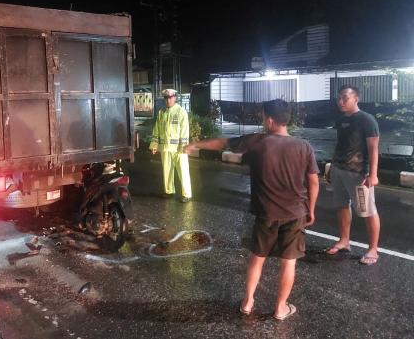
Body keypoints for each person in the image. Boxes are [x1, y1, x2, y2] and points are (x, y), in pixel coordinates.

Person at [184, 99, 319, 320]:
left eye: (264, 117)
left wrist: (195, 144)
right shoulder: (304, 147)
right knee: (289, 262)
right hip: (295, 214)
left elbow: (223, 143)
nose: (263, 120)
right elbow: (313, 182)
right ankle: (280, 308)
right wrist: (311, 210)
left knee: (258, 257)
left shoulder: (257, 141)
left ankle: (248, 301)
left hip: (266, 214)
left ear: (270, 119)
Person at [325, 84, 381, 265]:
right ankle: (344, 240)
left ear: (356, 99)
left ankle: (373, 249)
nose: (340, 102)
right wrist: (331, 168)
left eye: (345, 98)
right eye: (339, 98)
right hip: (339, 171)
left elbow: (373, 149)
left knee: (367, 211)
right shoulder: (341, 119)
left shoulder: (367, 120)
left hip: (359, 174)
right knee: (341, 205)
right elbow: (342, 145)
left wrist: (373, 174)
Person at [149, 89, 192, 203]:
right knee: (167, 170)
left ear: (175, 98)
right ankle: (169, 191)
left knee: (183, 171)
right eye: (166, 98)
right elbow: (156, 130)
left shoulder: (181, 112)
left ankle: (186, 194)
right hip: (165, 147)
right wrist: (154, 145)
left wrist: (183, 146)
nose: (168, 100)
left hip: (179, 148)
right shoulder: (161, 112)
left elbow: (184, 130)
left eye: (170, 97)